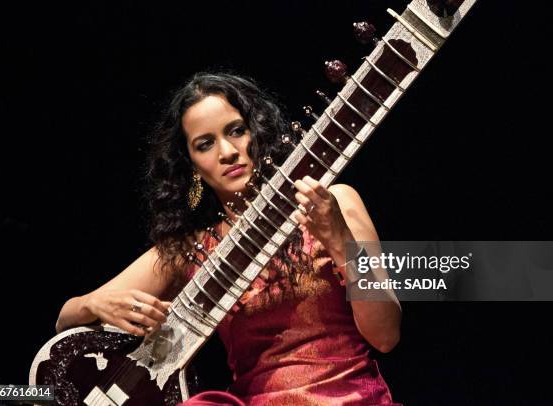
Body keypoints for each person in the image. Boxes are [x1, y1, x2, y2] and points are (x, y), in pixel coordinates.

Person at [55, 72, 402, 405]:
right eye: (205, 144)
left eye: (236, 131)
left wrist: (339, 239)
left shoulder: (333, 202)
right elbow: (65, 318)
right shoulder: (191, 251)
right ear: (191, 164)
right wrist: (92, 305)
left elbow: (385, 336)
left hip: (349, 399)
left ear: (258, 133)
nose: (227, 152)